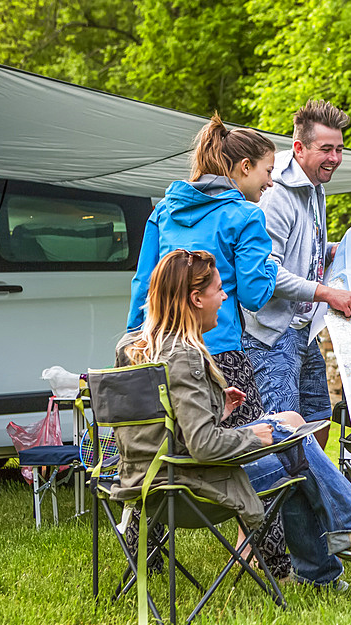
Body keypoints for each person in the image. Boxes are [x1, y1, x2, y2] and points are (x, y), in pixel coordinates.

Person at [117, 250, 351, 589]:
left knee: (289, 431)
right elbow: (203, 446)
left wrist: (217, 409)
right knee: (293, 447)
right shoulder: (185, 357)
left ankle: (330, 566)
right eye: (219, 289)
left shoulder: (135, 348)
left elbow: (162, 427)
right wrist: (257, 437)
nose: (226, 296)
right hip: (186, 483)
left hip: (144, 477)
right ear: (196, 298)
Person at [127, 113, 279, 428]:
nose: (270, 182)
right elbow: (253, 296)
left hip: (162, 350)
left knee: (178, 444)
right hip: (220, 352)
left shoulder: (164, 210)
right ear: (245, 167)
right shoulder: (246, 216)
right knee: (250, 444)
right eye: (268, 171)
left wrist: (135, 339)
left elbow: (144, 283)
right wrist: (271, 267)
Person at [242, 100, 351, 450]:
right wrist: (328, 294)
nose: (335, 158)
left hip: (302, 329)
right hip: (269, 334)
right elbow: (268, 272)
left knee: (318, 420)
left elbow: (309, 247)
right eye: (326, 149)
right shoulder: (276, 195)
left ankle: (308, 502)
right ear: (299, 147)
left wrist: (347, 248)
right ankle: (281, 504)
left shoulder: (315, 184)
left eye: (340, 149)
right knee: (282, 430)